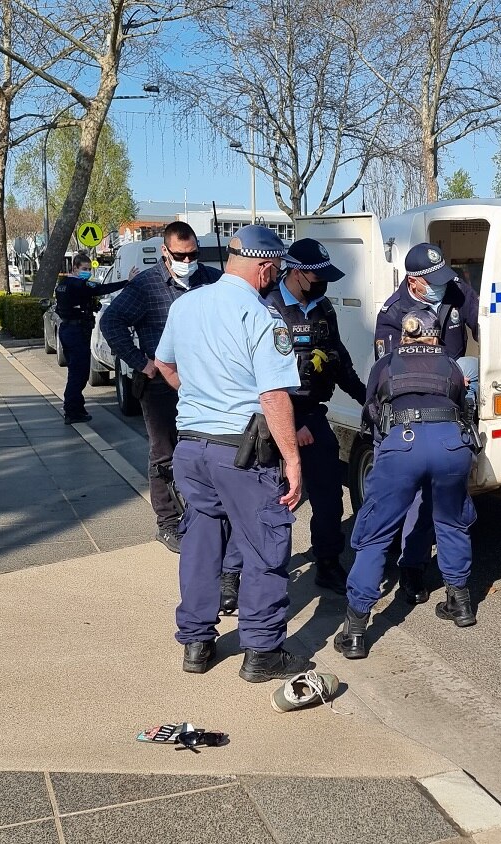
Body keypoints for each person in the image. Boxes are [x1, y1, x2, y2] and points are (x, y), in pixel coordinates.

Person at [152, 224, 311, 683]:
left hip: (191, 448)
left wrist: (199, 395)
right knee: (265, 543)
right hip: (241, 452)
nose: (276, 277)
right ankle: (262, 652)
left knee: (201, 541)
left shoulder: (186, 304)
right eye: (276, 269)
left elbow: (164, 363)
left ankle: (197, 644)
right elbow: (273, 396)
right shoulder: (263, 316)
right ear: (264, 267)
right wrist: (292, 461)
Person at [334, 311, 477, 660]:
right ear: (434, 336)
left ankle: (355, 630)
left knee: (376, 532)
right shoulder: (453, 366)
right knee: (451, 521)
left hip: (403, 444)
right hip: (450, 446)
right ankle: (460, 605)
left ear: (405, 336)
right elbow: (463, 406)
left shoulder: (386, 364)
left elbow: (371, 411)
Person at [99, 220, 223, 554]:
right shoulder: (146, 285)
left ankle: (206, 516)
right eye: (181, 255)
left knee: (208, 451)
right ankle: (168, 523)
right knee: (164, 454)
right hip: (160, 386)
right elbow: (110, 321)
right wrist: (142, 362)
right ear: (165, 252)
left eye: (193, 254)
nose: (188, 261)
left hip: (205, 384)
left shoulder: (212, 280)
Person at [371, 244, 481, 603]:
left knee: (450, 502)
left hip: (451, 408)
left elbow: (485, 323)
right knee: (419, 499)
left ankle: (454, 585)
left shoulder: (454, 288)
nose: (440, 286)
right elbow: (389, 373)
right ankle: (412, 570)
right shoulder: (393, 313)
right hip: (412, 418)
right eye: (430, 281)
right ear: (414, 282)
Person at [264, 238, 367, 594]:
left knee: (328, 499)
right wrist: (292, 423)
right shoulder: (267, 307)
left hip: (314, 414)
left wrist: (365, 399)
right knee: (270, 502)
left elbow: (339, 358)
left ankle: (327, 563)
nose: (322, 282)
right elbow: (252, 379)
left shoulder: (323, 308)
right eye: (316, 275)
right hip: (270, 420)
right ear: (296, 273)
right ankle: (249, 573)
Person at [54, 252, 128, 424]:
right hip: (76, 331)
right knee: (78, 374)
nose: (87, 272)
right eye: (84, 269)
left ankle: (77, 408)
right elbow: (102, 289)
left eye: (89, 269)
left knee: (76, 372)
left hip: (67, 329)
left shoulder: (63, 285)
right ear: (75, 268)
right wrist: (127, 282)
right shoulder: (78, 285)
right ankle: (72, 411)